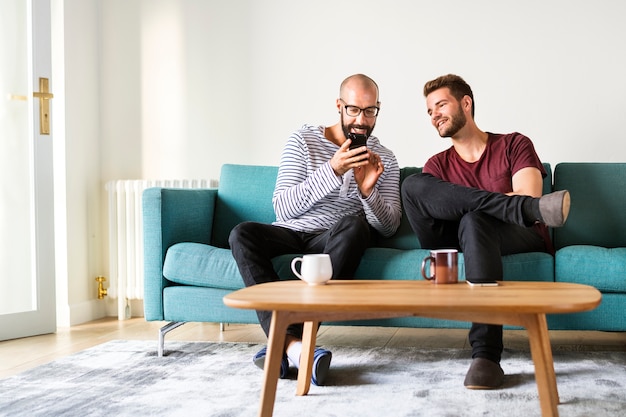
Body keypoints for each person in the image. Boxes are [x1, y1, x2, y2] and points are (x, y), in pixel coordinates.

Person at [228, 74, 402, 386]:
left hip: (334, 238)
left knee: (356, 226)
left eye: (370, 111)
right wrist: (333, 169)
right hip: (291, 231)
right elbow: (284, 208)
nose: (362, 120)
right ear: (339, 105)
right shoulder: (303, 140)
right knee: (242, 233)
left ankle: (285, 347)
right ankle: (297, 347)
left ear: (378, 109)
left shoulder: (384, 158)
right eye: (353, 110)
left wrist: (367, 192)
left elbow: (388, 228)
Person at [401, 74, 570, 390]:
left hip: (517, 234)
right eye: (429, 111)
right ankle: (512, 209)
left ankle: (486, 357)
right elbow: (528, 202)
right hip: (450, 240)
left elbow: (528, 191)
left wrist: (481, 209)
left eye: (441, 105)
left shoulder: (513, 144)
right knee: (411, 186)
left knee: (475, 220)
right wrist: (519, 204)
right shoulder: (436, 165)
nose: (434, 114)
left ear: (466, 103)